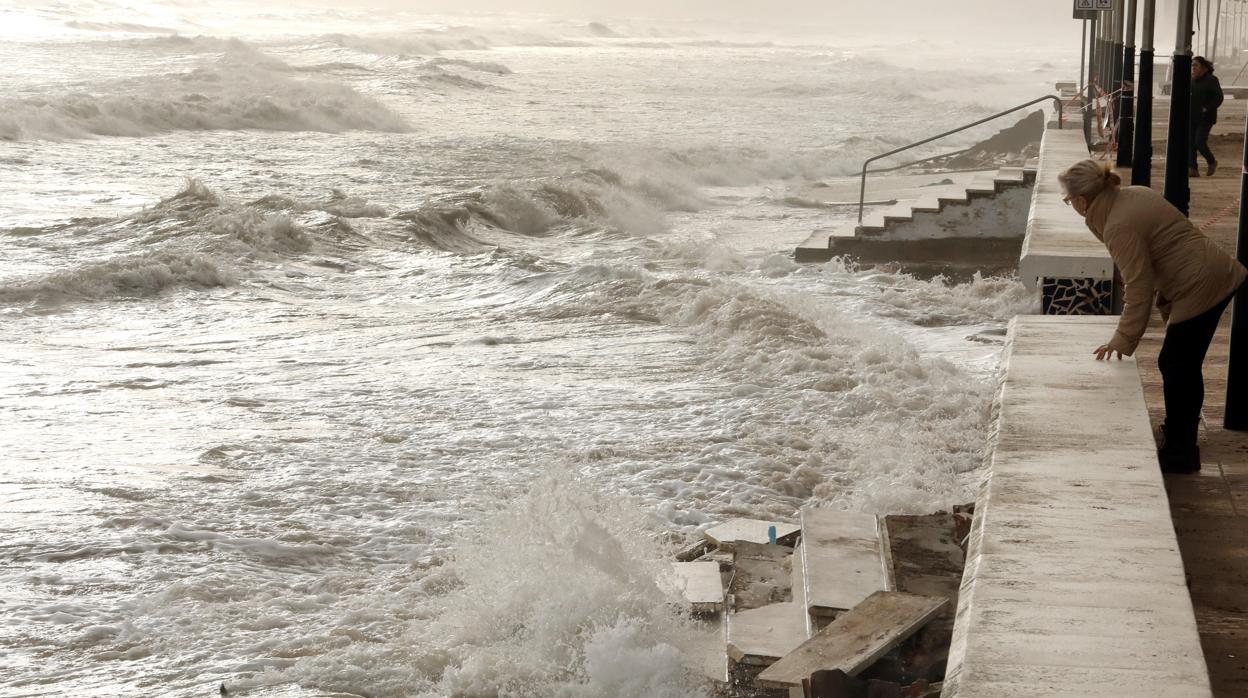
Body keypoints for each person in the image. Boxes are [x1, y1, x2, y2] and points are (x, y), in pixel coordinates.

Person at [1059, 159, 1246, 473]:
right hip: (1206, 275)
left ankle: (1181, 451)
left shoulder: (1118, 225)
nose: (1069, 205)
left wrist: (1124, 337)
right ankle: (1178, 435)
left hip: (1201, 284)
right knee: (1180, 362)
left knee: (1176, 363)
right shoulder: (1131, 195)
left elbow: (1139, 284)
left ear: (1081, 200)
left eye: (1067, 200)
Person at [1190, 56, 1223, 177]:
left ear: (1204, 68)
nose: (1193, 68)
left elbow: (1219, 97)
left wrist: (1207, 108)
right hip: (1191, 116)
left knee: (1199, 142)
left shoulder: (1211, 80)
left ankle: (1212, 161)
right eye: (1192, 66)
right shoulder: (1191, 80)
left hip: (1205, 118)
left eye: (1196, 66)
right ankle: (1192, 168)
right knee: (1190, 143)